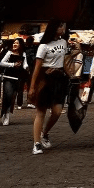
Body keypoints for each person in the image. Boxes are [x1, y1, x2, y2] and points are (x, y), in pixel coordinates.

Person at [29, 20, 70, 155]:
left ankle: (45, 133)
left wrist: (70, 76)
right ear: (54, 28)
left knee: (57, 111)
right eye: (60, 26)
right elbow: (37, 67)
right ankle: (36, 144)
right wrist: (32, 86)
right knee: (41, 112)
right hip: (45, 79)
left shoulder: (64, 42)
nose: (63, 28)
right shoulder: (43, 46)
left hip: (59, 79)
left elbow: (64, 61)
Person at [0, 37, 28, 125]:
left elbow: (25, 64)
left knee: (12, 97)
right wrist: (12, 64)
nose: (15, 44)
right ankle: (6, 114)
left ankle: (7, 112)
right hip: (8, 77)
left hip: (17, 78)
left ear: (20, 45)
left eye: (17, 43)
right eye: (14, 43)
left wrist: (26, 67)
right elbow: (2, 63)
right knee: (7, 95)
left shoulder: (23, 54)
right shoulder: (9, 52)